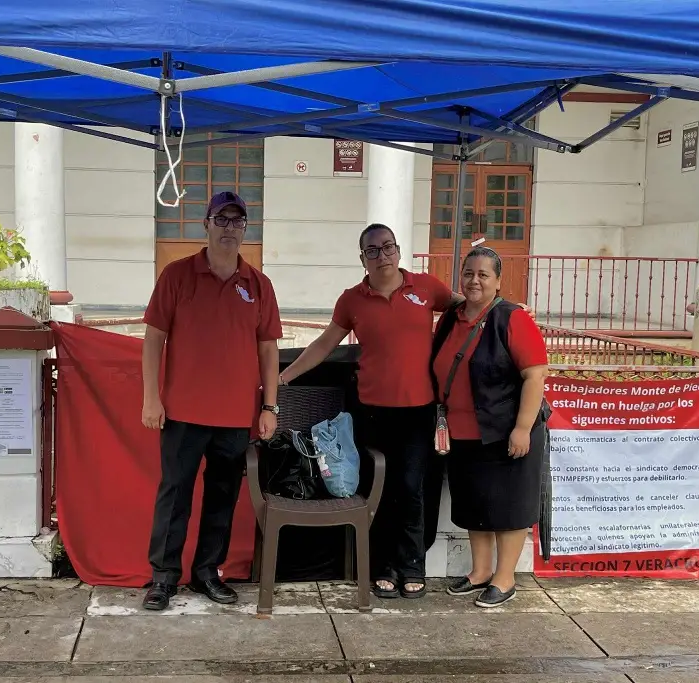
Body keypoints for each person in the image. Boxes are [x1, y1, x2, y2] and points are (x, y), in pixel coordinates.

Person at [279, 223, 458, 599]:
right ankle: (381, 567)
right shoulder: (352, 300)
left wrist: (503, 307)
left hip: (417, 411)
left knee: (410, 490)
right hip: (370, 413)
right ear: (363, 258)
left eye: (387, 247)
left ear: (398, 250)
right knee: (376, 489)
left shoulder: (426, 288)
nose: (382, 255)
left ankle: (412, 565)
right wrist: (285, 376)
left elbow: (463, 305)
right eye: (372, 250)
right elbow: (325, 344)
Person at [140, 191, 283, 611]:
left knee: (222, 497)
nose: (229, 228)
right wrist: (152, 398)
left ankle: (207, 572)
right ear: (206, 224)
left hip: (236, 416)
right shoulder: (177, 276)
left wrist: (269, 407)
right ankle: (163, 577)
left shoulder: (258, 285)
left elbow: (269, 349)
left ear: (245, 230)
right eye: (222, 219)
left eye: (237, 221)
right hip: (182, 412)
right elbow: (153, 340)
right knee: (175, 494)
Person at [429, 246, 549, 608]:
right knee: (474, 503)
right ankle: (480, 571)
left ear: (498, 281)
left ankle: (505, 577)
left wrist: (523, 427)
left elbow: (535, 375)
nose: (474, 280)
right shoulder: (451, 317)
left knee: (507, 505)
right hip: (462, 431)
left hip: (505, 430)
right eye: (468, 273)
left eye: (483, 274)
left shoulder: (512, 318)